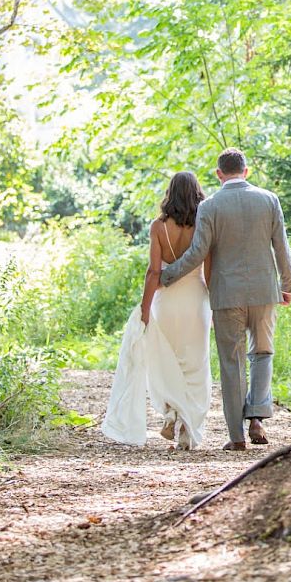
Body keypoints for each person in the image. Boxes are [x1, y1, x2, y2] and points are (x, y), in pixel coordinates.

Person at [160, 148, 291, 450]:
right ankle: (257, 417)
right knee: (262, 353)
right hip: (264, 291)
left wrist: (167, 275)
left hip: (226, 293)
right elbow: (281, 247)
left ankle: (236, 437)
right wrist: (287, 284)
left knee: (232, 363)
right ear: (245, 171)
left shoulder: (210, 206)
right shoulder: (269, 200)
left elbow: (197, 253)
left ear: (219, 174)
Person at [102, 171, 213, 450]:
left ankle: (170, 412)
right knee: (195, 365)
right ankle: (188, 429)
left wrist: (145, 307)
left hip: (166, 302)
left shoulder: (158, 226)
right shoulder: (204, 224)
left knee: (166, 362)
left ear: (170, 193)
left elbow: (154, 271)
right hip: (195, 300)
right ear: (197, 193)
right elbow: (209, 271)